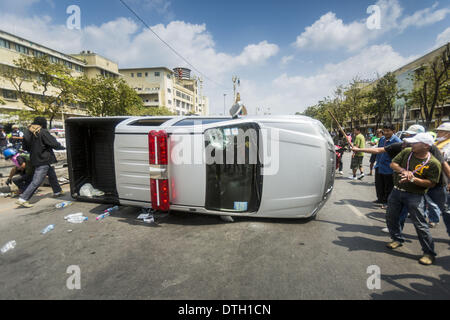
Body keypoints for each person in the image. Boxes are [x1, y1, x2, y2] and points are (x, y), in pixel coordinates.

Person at [386, 132, 441, 265]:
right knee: (391, 217)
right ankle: (397, 239)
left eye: (416, 142)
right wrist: (403, 171)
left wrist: (413, 179)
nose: (412, 144)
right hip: (396, 191)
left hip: (415, 196)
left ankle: (429, 253)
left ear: (426, 146)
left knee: (420, 225)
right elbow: (393, 164)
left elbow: (431, 183)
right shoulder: (407, 152)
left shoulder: (433, 163)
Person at [16, 117, 65, 208]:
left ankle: (57, 191)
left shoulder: (27, 133)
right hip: (44, 158)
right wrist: (63, 147)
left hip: (35, 158)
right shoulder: (42, 131)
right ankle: (23, 199)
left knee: (51, 174)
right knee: (37, 180)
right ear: (43, 124)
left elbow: (25, 147)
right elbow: (53, 144)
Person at [373, 123, 402, 208]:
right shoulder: (382, 139)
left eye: (388, 131)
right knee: (379, 184)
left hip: (389, 168)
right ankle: (380, 199)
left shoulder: (397, 142)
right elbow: (378, 151)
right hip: (379, 165)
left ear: (393, 131)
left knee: (388, 187)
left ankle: (387, 202)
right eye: (384, 131)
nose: (385, 133)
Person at [435, 122, 450, 236]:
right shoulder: (437, 142)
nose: (438, 133)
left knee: (446, 210)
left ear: (448, 133)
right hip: (433, 179)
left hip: (444, 181)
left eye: (441, 131)